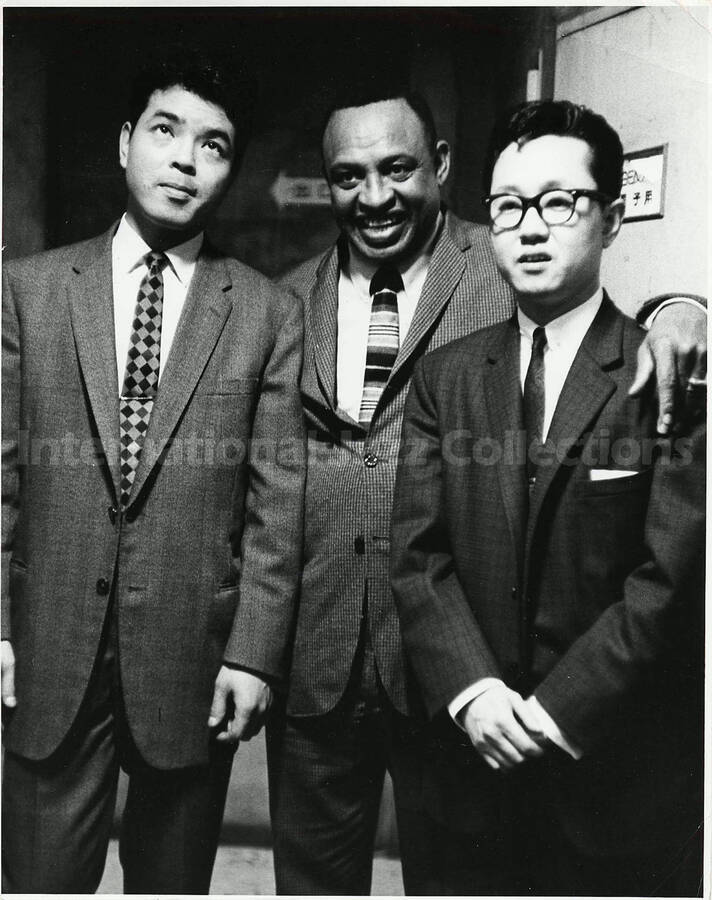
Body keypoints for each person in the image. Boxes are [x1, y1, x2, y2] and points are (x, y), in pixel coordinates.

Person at [266, 84, 706, 895]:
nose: (374, 196)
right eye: (347, 175)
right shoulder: (285, 300)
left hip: (473, 687)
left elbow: (609, 318)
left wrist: (687, 307)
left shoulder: (504, 255)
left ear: (439, 168)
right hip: (333, 658)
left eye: (396, 168)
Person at [1, 51, 304, 894]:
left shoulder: (267, 311)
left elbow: (278, 504)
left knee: (171, 885)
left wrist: (253, 655)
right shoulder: (26, 291)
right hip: (46, 644)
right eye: (166, 132)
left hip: (191, 658)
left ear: (230, 171)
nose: (184, 159)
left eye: (213, 145)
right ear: (127, 141)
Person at [390, 99, 705, 896]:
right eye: (507, 207)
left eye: (560, 202)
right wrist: (472, 692)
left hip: (617, 790)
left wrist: (555, 711)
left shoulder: (665, 374)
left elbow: (672, 579)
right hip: (466, 780)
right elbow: (417, 556)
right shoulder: (445, 377)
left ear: (612, 217)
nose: (531, 227)